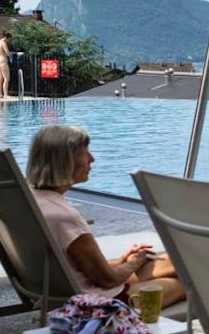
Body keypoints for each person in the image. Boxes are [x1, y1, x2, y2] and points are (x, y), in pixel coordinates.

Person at [26, 125, 184, 308]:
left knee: (180, 262)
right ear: (64, 161)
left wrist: (124, 260)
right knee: (187, 283)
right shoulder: (64, 217)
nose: (92, 159)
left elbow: (87, 269)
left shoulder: (30, 199)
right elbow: (108, 280)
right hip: (100, 303)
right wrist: (132, 264)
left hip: (68, 288)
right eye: (84, 153)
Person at [0, 32, 12, 100]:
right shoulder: (3, 43)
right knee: (6, 78)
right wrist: (11, 55)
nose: (9, 41)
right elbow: (7, 52)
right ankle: (5, 95)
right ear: (6, 37)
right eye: (9, 39)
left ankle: (0, 94)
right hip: (3, 62)